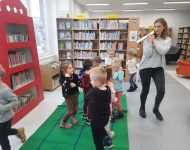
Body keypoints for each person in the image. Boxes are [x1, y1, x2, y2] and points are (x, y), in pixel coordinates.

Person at [139, 18, 171, 121]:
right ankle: (142, 107)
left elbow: (162, 52)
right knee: (145, 90)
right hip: (145, 67)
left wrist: (154, 41)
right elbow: (147, 54)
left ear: (164, 27)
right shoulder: (147, 38)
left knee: (161, 91)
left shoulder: (167, 40)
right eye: (155, 26)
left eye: (159, 26)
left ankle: (156, 109)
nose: (156, 28)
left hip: (158, 68)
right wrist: (149, 42)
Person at [86, 67, 114, 149]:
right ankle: (107, 141)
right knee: (101, 129)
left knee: (97, 138)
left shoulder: (94, 92)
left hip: (96, 120)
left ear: (97, 83)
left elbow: (87, 96)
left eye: (91, 80)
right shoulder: (108, 89)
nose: (90, 82)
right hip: (105, 117)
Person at [0, 65, 26, 150]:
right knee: (3, 133)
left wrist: (3, 108)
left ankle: (18, 132)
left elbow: (15, 101)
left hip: (5, 118)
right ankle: (19, 131)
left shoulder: (5, 90)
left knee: (2, 137)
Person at [59, 61, 81, 128]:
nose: (72, 69)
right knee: (70, 111)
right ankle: (63, 122)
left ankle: (73, 116)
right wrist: (66, 78)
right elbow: (65, 86)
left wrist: (75, 85)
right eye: (70, 68)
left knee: (76, 108)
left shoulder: (75, 76)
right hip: (68, 96)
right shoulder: (63, 78)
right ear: (64, 71)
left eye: (72, 67)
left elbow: (79, 83)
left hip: (75, 94)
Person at [105, 67, 117, 138]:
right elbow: (112, 95)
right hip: (107, 104)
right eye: (113, 72)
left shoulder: (100, 83)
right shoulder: (110, 84)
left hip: (100, 104)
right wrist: (115, 100)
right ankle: (107, 132)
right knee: (107, 118)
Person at [81, 59, 93, 125]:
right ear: (91, 67)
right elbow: (92, 84)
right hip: (90, 91)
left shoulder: (83, 73)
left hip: (85, 91)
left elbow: (82, 83)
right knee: (90, 105)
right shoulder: (90, 75)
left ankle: (85, 114)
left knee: (85, 102)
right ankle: (89, 119)